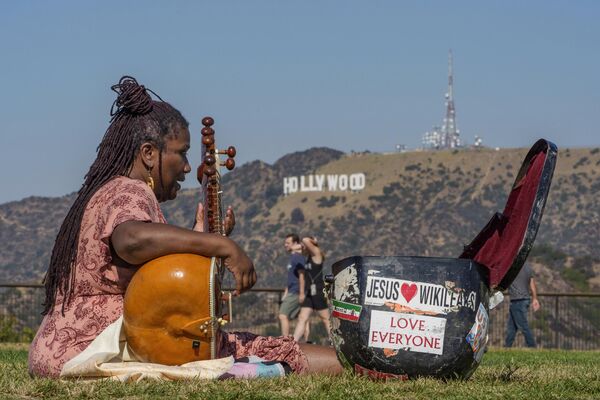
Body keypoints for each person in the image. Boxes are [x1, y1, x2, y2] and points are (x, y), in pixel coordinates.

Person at [28, 76, 342, 378]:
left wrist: (199, 238)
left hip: (60, 349)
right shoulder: (130, 190)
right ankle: (362, 365)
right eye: (182, 153)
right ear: (149, 153)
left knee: (237, 344)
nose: (188, 167)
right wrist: (223, 246)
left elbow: (146, 271)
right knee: (261, 348)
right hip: (95, 349)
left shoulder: (108, 191)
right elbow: (131, 240)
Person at [293, 237, 331, 343]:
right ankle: (293, 342)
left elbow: (305, 239)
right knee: (302, 317)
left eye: (305, 245)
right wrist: (303, 245)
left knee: (325, 318)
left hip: (318, 291)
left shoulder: (316, 253)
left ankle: (333, 341)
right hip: (309, 293)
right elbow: (293, 248)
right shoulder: (308, 256)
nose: (303, 246)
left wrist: (312, 241)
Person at [278, 233, 309, 339]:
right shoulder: (293, 257)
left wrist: (301, 293)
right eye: (285, 243)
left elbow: (302, 276)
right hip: (291, 290)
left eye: (288, 243)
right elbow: (292, 277)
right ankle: (306, 341)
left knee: (282, 315)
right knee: (303, 317)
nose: (285, 245)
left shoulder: (297, 257)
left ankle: (285, 340)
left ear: (295, 243)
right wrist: (286, 293)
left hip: (296, 291)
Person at [504, 263, 540, 348]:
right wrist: (535, 298)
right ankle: (506, 348)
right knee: (511, 328)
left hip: (518, 301)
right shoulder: (528, 267)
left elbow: (502, 282)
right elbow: (532, 284)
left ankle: (532, 347)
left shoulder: (511, 267)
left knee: (523, 326)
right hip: (524, 300)